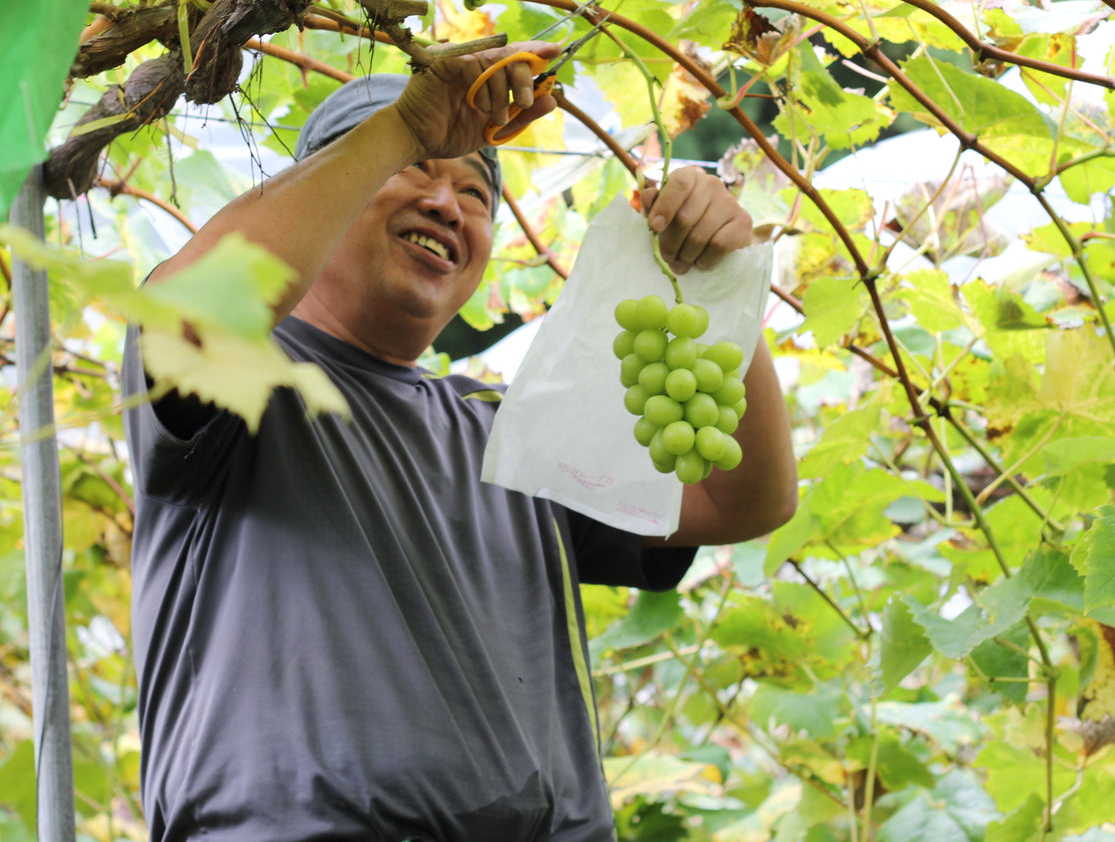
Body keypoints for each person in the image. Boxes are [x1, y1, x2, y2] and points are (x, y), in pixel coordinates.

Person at [120, 43, 798, 842]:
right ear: (325, 191)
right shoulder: (242, 384)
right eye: (417, 169)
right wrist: (405, 123)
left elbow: (740, 497)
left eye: (476, 192)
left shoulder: (510, 430)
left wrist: (715, 277)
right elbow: (193, 311)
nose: (448, 203)